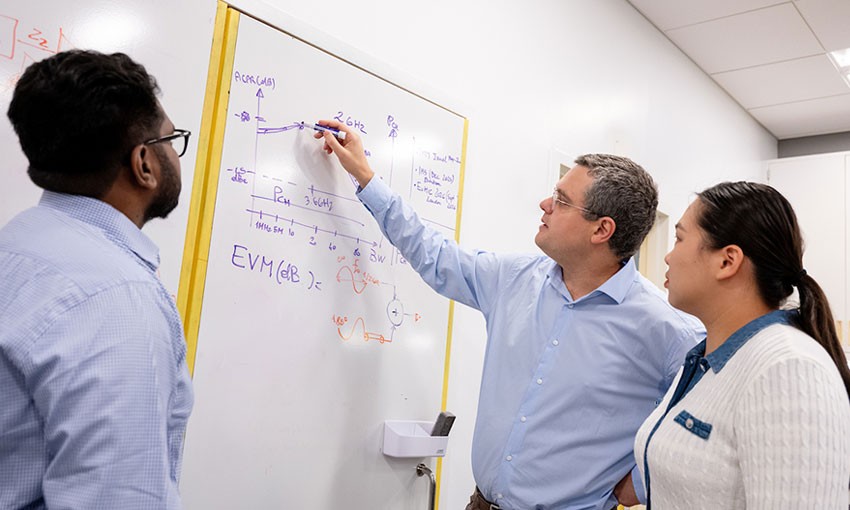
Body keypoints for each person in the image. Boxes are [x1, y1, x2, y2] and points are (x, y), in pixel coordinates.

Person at [314, 120, 702, 509]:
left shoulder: (667, 330)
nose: (545, 204)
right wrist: (364, 175)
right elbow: (434, 255)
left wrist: (641, 484)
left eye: (562, 200)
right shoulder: (514, 278)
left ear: (602, 230)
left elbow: (706, 434)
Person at [0, 50, 194, 509]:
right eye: (172, 139)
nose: (175, 152)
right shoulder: (118, 301)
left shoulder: (15, 247)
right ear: (144, 163)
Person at [634, 181, 850, 509]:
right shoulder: (707, 358)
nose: (668, 255)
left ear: (727, 261)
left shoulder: (788, 369)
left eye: (679, 239)